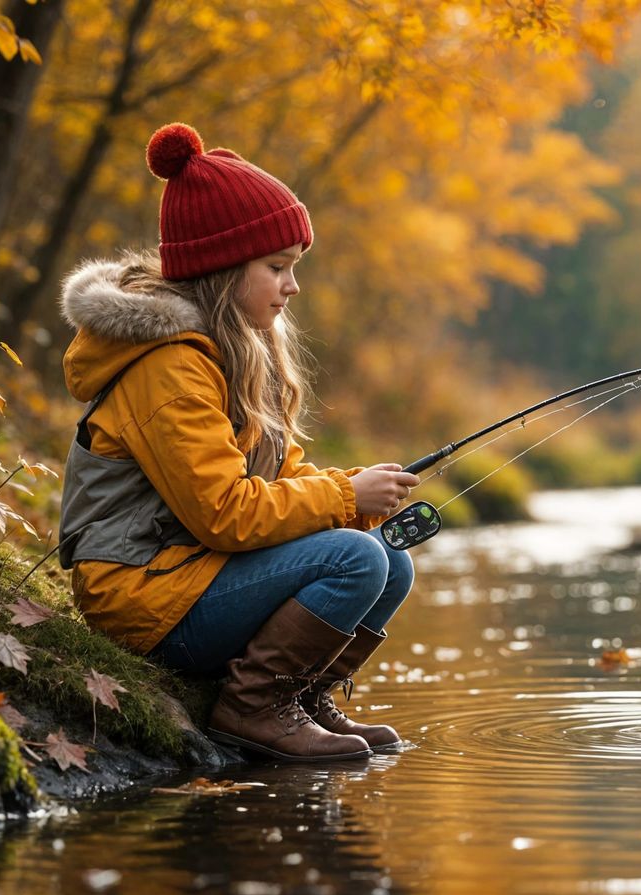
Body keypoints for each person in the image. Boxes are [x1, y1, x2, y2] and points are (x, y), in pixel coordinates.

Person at [55, 122, 420, 761]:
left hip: (191, 574)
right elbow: (224, 512)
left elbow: (278, 472)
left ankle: (300, 697)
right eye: (276, 267)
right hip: (140, 594)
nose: (292, 286)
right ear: (223, 269)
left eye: (292, 268)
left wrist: (358, 497)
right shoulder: (166, 366)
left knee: (387, 558)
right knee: (355, 560)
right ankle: (251, 707)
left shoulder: (236, 351)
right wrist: (341, 496)